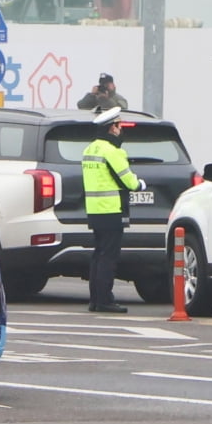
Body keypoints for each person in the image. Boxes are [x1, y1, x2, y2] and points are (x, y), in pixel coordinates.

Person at [82, 106, 147, 314]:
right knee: (109, 257)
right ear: (111, 128)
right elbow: (128, 180)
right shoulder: (113, 151)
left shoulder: (90, 149)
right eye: (119, 125)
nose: (121, 129)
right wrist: (140, 185)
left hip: (94, 209)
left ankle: (95, 299)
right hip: (111, 209)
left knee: (98, 255)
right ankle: (105, 300)